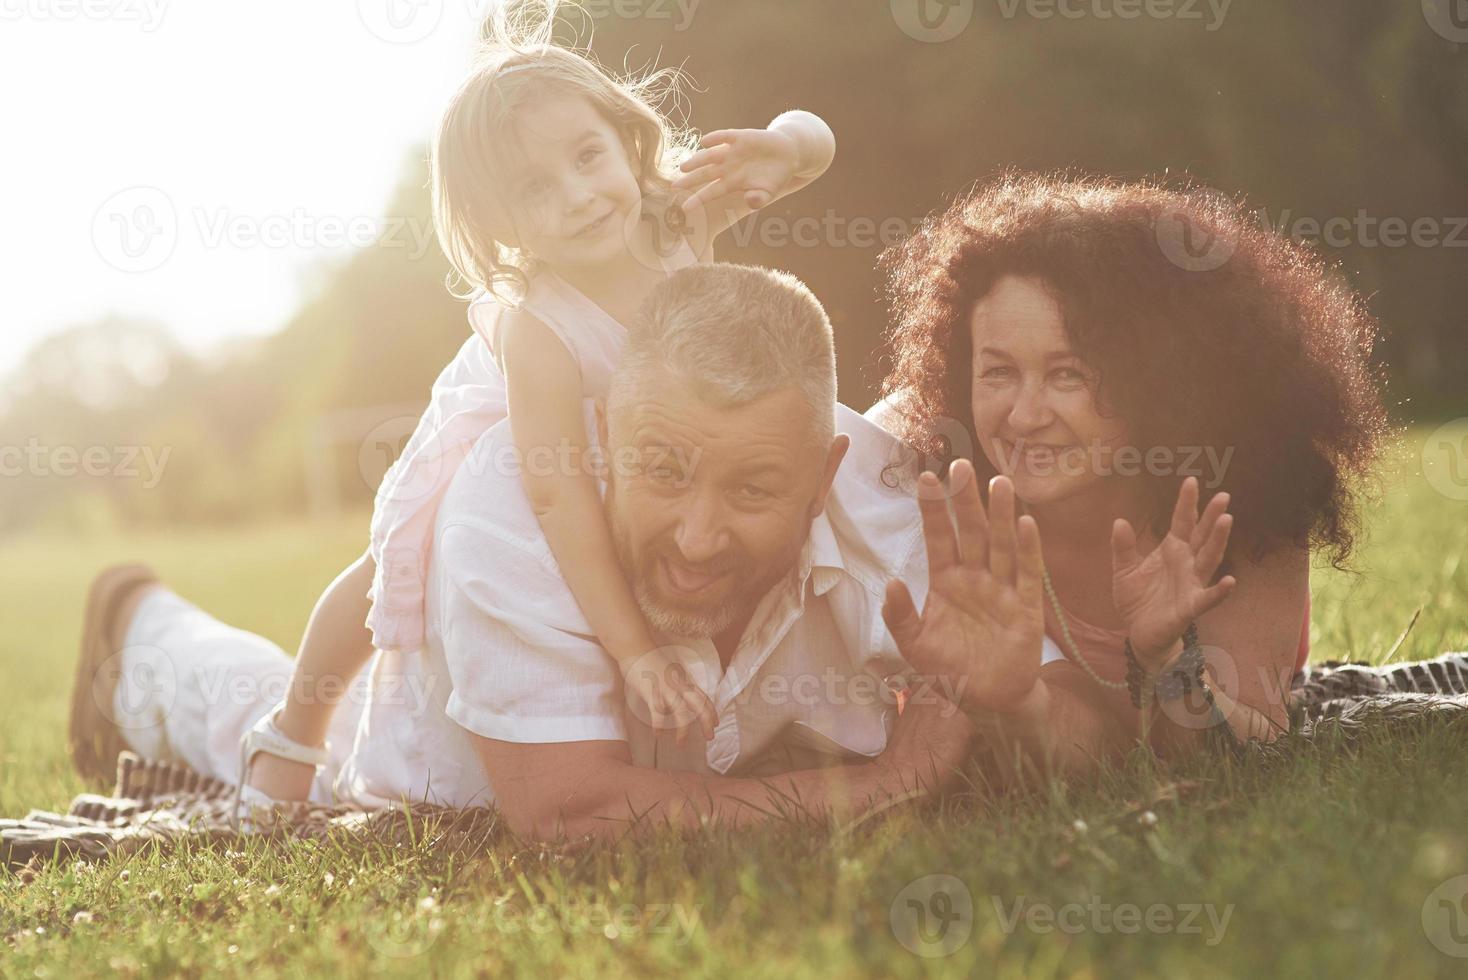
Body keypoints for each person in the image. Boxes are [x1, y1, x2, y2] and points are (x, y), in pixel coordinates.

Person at [71, 263, 995, 840]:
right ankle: (136, 630)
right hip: (428, 756)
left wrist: (1005, 694)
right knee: (252, 716)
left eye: (753, 491)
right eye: (663, 472)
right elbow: (570, 813)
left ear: (825, 466)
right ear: (605, 432)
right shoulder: (510, 502)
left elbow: (1037, 703)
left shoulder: (892, 499)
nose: (700, 536)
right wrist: (885, 783)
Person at [238, 3, 841, 803]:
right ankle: (292, 735)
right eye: (534, 189)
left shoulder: (678, 216)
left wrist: (786, 144)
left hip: (636, 430)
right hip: (505, 417)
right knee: (393, 565)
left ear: (626, 140)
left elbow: (812, 151)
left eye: (589, 156)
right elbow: (556, 496)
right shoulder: (539, 330)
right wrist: (634, 653)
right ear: (497, 220)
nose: (579, 195)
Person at [868, 173, 1391, 773]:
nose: (1024, 415)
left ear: (1159, 383)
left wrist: (1169, 660)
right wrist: (1007, 707)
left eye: (1069, 374)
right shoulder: (922, 473)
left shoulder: (1247, 493)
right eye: (997, 372)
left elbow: (1247, 751)